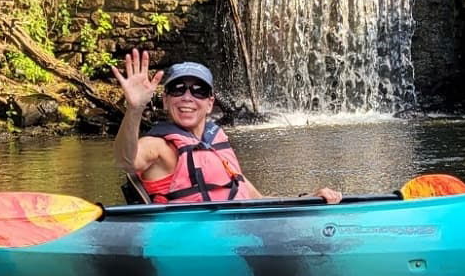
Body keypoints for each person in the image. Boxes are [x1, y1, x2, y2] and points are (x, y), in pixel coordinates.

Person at [112, 49, 342, 204]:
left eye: (198, 91)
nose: (187, 97)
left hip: (237, 234)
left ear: (210, 103)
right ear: (165, 100)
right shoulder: (157, 146)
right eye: (178, 89)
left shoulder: (215, 142)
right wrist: (135, 109)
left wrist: (307, 200)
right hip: (194, 241)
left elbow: (255, 200)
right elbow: (126, 160)